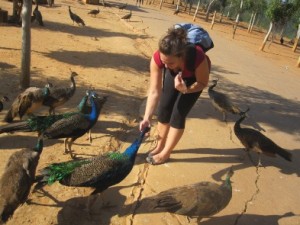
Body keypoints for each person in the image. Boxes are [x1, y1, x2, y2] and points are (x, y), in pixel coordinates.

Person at [139, 26, 211, 165]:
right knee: (164, 108)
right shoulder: (159, 59)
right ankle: (160, 146)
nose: (166, 66)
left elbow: (203, 82)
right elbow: (154, 91)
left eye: (170, 62)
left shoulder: (197, 57)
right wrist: (147, 118)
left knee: (178, 114)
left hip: (193, 79)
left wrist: (186, 89)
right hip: (176, 75)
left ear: (181, 56)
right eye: (163, 62)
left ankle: (166, 153)